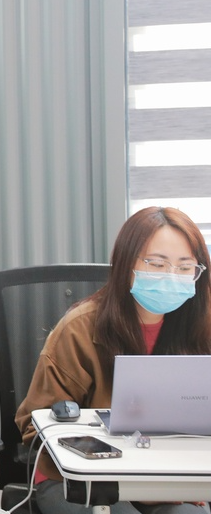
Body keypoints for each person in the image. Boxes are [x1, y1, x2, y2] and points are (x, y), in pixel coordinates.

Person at [15, 206, 211, 514]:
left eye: (185, 267)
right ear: (126, 264)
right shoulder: (80, 328)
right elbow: (34, 424)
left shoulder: (202, 327)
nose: (171, 276)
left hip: (171, 476)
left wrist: (166, 483)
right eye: (157, 264)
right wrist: (135, 480)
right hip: (79, 479)